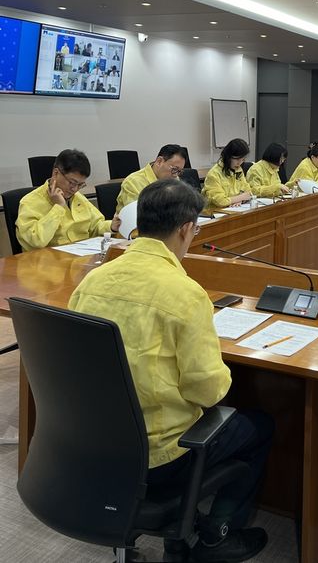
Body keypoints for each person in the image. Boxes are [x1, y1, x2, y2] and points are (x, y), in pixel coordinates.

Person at [69, 179, 272, 563]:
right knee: (259, 426)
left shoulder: (92, 281)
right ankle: (216, 536)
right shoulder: (185, 293)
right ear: (186, 229)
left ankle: (188, 529)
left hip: (97, 442)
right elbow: (208, 392)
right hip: (161, 456)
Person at [16, 148, 121, 251]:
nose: (74, 189)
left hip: (81, 255)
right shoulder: (30, 202)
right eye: (72, 182)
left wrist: (111, 226)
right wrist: (58, 207)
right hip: (49, 259)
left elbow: (96, 226)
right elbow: (36, 241)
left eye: (80, 185)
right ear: (56, 173)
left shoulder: (78, 198)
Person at [116, 144, 188, 213]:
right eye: (174, 169)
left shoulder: (174, 179)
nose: (176, 175)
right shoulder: (133, 182)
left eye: (179, 171)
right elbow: (138, 216)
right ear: (159, 161)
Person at [203, 138, 253, 209]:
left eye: (243, 159)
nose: (239, 163)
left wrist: (239, 201)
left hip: (233, 209)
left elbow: (249, 192)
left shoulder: (238, 170)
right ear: (228, 156)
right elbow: (220, 201)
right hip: (215, 212)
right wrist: (240, 197)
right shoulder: (214, 174)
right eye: (237, 159)